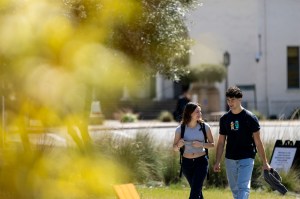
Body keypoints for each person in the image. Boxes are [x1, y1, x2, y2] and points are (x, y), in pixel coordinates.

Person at [213, 86, 271, 199]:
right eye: (228, 100)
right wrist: (217, 161)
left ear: (240, 99)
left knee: (243, 187)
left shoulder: (250, 118)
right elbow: (221, 142)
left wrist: (265, 162)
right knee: (235, 190)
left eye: (233, 99)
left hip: (247, 157)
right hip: (230, 159)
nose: (230, 102)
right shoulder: (224, 119)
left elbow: (258, 142)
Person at [173, 102, 214, 199]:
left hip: (201, 162)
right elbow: (174, 148)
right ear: (190, 113)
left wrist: (202, 144)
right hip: (187, 164)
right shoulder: (180, 129)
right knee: (197, 190)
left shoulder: (205, 127)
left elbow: (212, 144)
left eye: (200, 111)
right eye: (197, 112)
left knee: (195, 192)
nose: (200, 114)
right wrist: (178, 145)